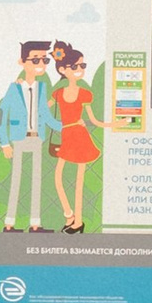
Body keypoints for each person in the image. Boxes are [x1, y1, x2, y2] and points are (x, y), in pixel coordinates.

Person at [0, 41, 52, 234]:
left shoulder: (42, 88)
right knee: (17, 179)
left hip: (37, 138)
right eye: (36, 59)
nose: (41, 64)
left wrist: (67, 127)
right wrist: (4, 143)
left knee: (37, 180)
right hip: (18, 139)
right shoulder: (14, 88)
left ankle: (35, 224)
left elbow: (46, 115)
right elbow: (2, 114)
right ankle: (9, 223)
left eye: (45, 59)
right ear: (22, 62)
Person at [49, 41, 102, 235]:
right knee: (58, 177)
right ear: (63, 69)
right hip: (66, 135)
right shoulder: (58, 93)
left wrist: (116, 124)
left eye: (83, 65)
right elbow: (43, 109)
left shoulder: (85, 94)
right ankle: (68, 214)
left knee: (79, 182)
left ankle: (78, 222)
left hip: (80, 136)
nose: (80, 70)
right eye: (75, 66)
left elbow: (94, 120)